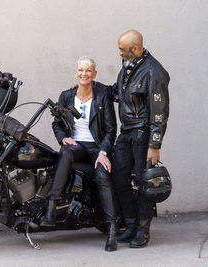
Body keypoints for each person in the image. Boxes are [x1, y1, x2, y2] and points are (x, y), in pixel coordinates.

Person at [40, 56, 118, 252]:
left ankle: (112, 230)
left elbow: (110, 129)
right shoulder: (66, 96)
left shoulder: (102, 96)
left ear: (94, 74)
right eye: (81, 70)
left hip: (97, 147)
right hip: (77, 146)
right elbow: (57, 122)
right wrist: (63, 138)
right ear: (76, 73)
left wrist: (103, 152)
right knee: (65, 152)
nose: (84, 74)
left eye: (88, 70)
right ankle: (51, 208)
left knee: (102, 176)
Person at [109, 30, 170, 248]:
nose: (119, 53)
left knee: (145, 183)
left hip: (143, 135)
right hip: (126, 132)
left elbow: (159, 114)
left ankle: (143, 232)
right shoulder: (128, 66)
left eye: (122, 49)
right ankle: (132, 225)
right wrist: (85, 89)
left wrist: (155, 145)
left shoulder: (154, 72)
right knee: (118, 178)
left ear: (135, 49)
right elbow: (116, 92)